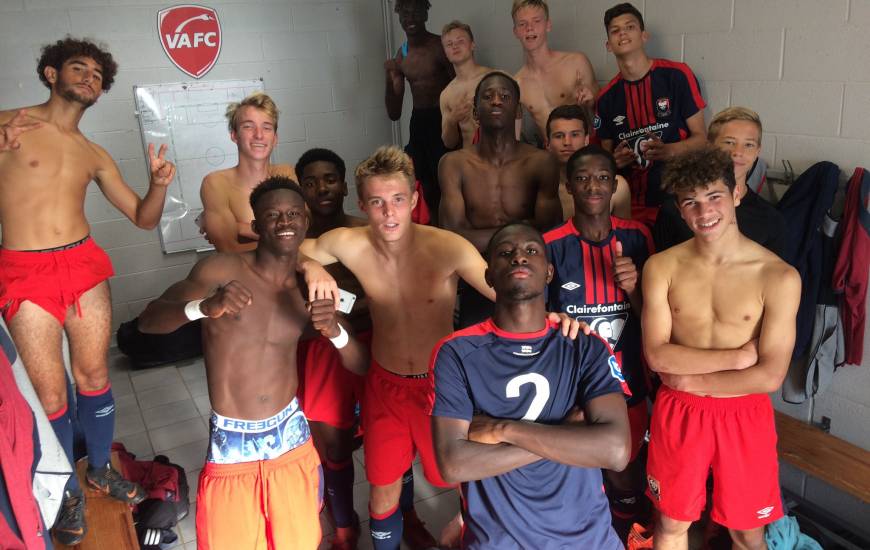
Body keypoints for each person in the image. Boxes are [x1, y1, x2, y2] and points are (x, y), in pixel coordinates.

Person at [0, 37, 176, 545]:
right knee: (50, 392)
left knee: (94, 373)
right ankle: (65, 493)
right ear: (51, 73)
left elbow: (143, 219)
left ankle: (99, 469)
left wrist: (159, 184)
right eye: (79, 68)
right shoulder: (10, 122)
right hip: (23, 269)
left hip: (82, 263)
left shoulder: (91, 152)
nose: (89, 77)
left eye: (98, 74)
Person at [138, 177, 358, 550]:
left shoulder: (313, 289)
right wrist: (202, 308)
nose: (284, 222)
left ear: (305, 222)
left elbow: (361, 363)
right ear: (256, 227)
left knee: (299, 542)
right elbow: (149, 320)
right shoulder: (221, 271)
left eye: (293, 214)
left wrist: (334, 330)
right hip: (231, 443)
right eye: (272, 215)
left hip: (290, 435)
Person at [431, 222, 630, 549]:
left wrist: (505, 430)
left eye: (531, 251)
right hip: (499, 541)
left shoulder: (585, 345)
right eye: (505, 253)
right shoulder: (456, 352)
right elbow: (454, 464)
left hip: (587, 538)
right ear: (489, 277)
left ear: (549, 272)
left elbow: (616, 451)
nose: (519, 258)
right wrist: (567, 433)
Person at [641, 147, 800, 550]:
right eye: (690, 202)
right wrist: (736, 358)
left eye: (713, 196)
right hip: (679, 413)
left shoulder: (778, 276)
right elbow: (658, 356)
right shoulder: (662, 267)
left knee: (748, 531)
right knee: (672, 523)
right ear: (679, 209)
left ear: (736, 195)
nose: (703, 212)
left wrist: (688, 378)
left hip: (743, 414)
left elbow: (769, 376)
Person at [543, 144, 654, 535]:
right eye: (583, 178)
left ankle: (627, 537)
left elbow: (656, 321)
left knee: (625, 472)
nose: (593, 185)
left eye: (603, 178)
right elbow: (537, 324)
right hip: (573, 390)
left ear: (614, 185)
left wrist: (635, 289)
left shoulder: (639, 237)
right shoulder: (550, 244)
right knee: (574, 474)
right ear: (569, 186)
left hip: (630, 384)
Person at [439, 71, 561, 328]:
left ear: (517, 112)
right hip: (476, 278)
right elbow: (452, 237)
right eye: (488, 96)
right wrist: (525, 226)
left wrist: (480, 236)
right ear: (475, 112)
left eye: (505, 96)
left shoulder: (541, 161)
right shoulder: (454, 164)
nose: (496, 101)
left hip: (529, 279)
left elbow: (549, 231)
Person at [295, 148, 369, 550]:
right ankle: (343, 526)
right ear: (301, 189)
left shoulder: (366, 230)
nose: (321, 187)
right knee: (335, 444)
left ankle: (402, 513)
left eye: (329, 179)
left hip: (375, 342)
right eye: (310, 181)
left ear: (343, 185)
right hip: (323, 349)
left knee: (381, 436)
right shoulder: (292, 242)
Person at [596, 2, 707, 226]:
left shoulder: (676, 75)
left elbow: (702, 140)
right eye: (615, 30)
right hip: (630, 205)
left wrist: (668, 151)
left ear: (644, 35)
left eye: (630, 27)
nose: (623, 33)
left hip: (679, 199)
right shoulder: (606, 98)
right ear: (608, 45)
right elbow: (603, 161)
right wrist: (614, 162)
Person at [653, 107, 788, 258]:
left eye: (749, 144)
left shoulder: (771, 220)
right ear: (709, 146)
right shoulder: (673, 210)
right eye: (729, 142)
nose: (738, 152)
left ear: (758, 151)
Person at [199, 92, 296, 252]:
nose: (259, 135)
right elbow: (229, 250)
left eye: (266, 127)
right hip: (243, 276)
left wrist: (240, 228)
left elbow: (303, 231)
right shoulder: (216, 183)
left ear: (275, 138)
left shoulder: (286, 173)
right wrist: (282, 238)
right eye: (248, 126)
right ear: (234, 135)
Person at [385, 0, 454, 219]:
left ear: (425, 14)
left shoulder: (440, 46)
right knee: (424, 185)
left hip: (443, 120)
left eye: (416, 12)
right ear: (398, 16)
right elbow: (394, 113)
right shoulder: (402, 53)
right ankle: (432, 235)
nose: (410, 18)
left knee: (448, 184)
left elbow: (460, 85)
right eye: (405, 13)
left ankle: (451, 234)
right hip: (419, 122)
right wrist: (390, 78)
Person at [512, 0, 599, 145]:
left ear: (548, 25)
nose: (529, 28)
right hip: (551, 158)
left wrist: (590, 102)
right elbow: (515, 136)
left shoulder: (576, 62)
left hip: (584, 154)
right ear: (515, 32)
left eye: (536, 21)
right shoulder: (517, 84)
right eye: (522, 24)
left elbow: (602, 112)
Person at [544, 105, 631, 219]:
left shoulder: (617, 188)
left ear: (586, 140)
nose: (567, 142)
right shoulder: (540, 190)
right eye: (559, 136)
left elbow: (626, 234)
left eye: (575, 135)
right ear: (547, 144)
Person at [439, 20, 492, 150]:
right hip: (469, 162)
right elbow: (449, 143)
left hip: (500, 160)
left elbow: (515, 121)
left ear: (472, 45)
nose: (454, 46)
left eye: (460, 41)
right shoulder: (446, 95)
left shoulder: (494, 78)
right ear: (445, 52)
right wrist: (452, 120)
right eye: (449, 44)